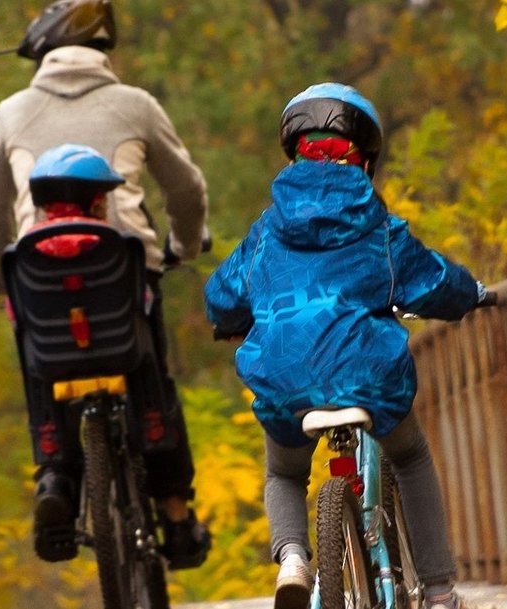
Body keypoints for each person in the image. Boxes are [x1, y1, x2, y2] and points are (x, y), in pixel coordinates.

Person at [204, 83, 486, 609]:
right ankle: (442, 591)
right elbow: (435, 282)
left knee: (285, 471)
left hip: (284, 380)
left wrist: (231, 321)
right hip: (368, 377)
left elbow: (221, 294)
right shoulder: (378, 227)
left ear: (295, 152)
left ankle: (292, 558)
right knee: (411, 455)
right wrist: (473, 293)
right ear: (365, 161)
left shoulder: (265, 231)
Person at [0, 0, 211, 569]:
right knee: (152, 377)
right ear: (102, 48)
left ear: (41, 51)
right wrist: (181, 244)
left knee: (42, 364)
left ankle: (55, 477)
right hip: (123, 269)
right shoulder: (137, 105)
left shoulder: (10, 112)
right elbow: (187, 189)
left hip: (39, 274)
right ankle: (175, 518)